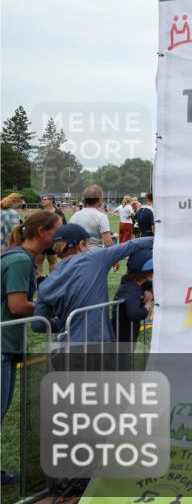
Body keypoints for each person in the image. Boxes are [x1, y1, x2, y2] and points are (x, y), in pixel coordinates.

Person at [1, 210, 62, 485]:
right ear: (42, 232)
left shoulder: (17, 255)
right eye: (56, 231)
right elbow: (17, 305)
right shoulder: (19, 260)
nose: (59, 236)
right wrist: (48, 309)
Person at [32, 225, 154, 345]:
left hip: (65, 348)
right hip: (97, 345)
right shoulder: (95, 258)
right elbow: (133, 245)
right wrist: (162, 240)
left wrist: (65, 323)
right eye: (88, 244)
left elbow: (38, 325)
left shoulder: (46, 283)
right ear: (81, 245)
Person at [113, 247, 154, 369]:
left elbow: (154, 286)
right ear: (150, 273)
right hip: (122, 339)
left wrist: (150, 292)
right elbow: (133, 313)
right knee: (123, 367)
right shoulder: (131, 290)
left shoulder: (130, 282)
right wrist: (146, 307)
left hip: (126, 336)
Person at [72, 185, 114, 250]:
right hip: (94, 255)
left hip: (78, 255)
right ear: (100, 199)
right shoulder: (101, 217)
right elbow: (108, 243)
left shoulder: (74, 216)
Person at [35, 195, 66, 277]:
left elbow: (64, 226)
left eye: (44, 199)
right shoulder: (39, 213)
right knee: (38, 262)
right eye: (42, 199)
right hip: (40, 242)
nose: (42, 201)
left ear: (51, 201)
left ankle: (52, 282)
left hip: (53, 241)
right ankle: (38, 280)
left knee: (53, 262)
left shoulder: (58, 213)